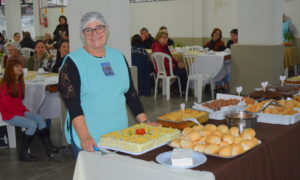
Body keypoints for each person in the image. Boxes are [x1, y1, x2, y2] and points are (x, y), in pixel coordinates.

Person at [58, 11, 154, 157]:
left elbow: (131, 93)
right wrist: (85, 137)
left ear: (106, 29)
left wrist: (144, 121)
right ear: (82, 34)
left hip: (119, 135)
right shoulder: (73, 62)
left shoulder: (118, 56)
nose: (94, 33)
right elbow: (72, 103)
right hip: (91, 139)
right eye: (88, 29)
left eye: (99, 27)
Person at [0, 59, 62, 161]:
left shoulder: (19, 82)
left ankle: (49, 148)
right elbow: (6, 105)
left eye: (20, 66)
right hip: (9, 115)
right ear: (10, 69)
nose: (20, 68)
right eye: (17, 66)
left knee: (40, 118)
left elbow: (18, 102)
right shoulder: (5, 85)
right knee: (32, 124)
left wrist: (25, 111)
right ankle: (23, 154)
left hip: (19, 112)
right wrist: (23, 114)